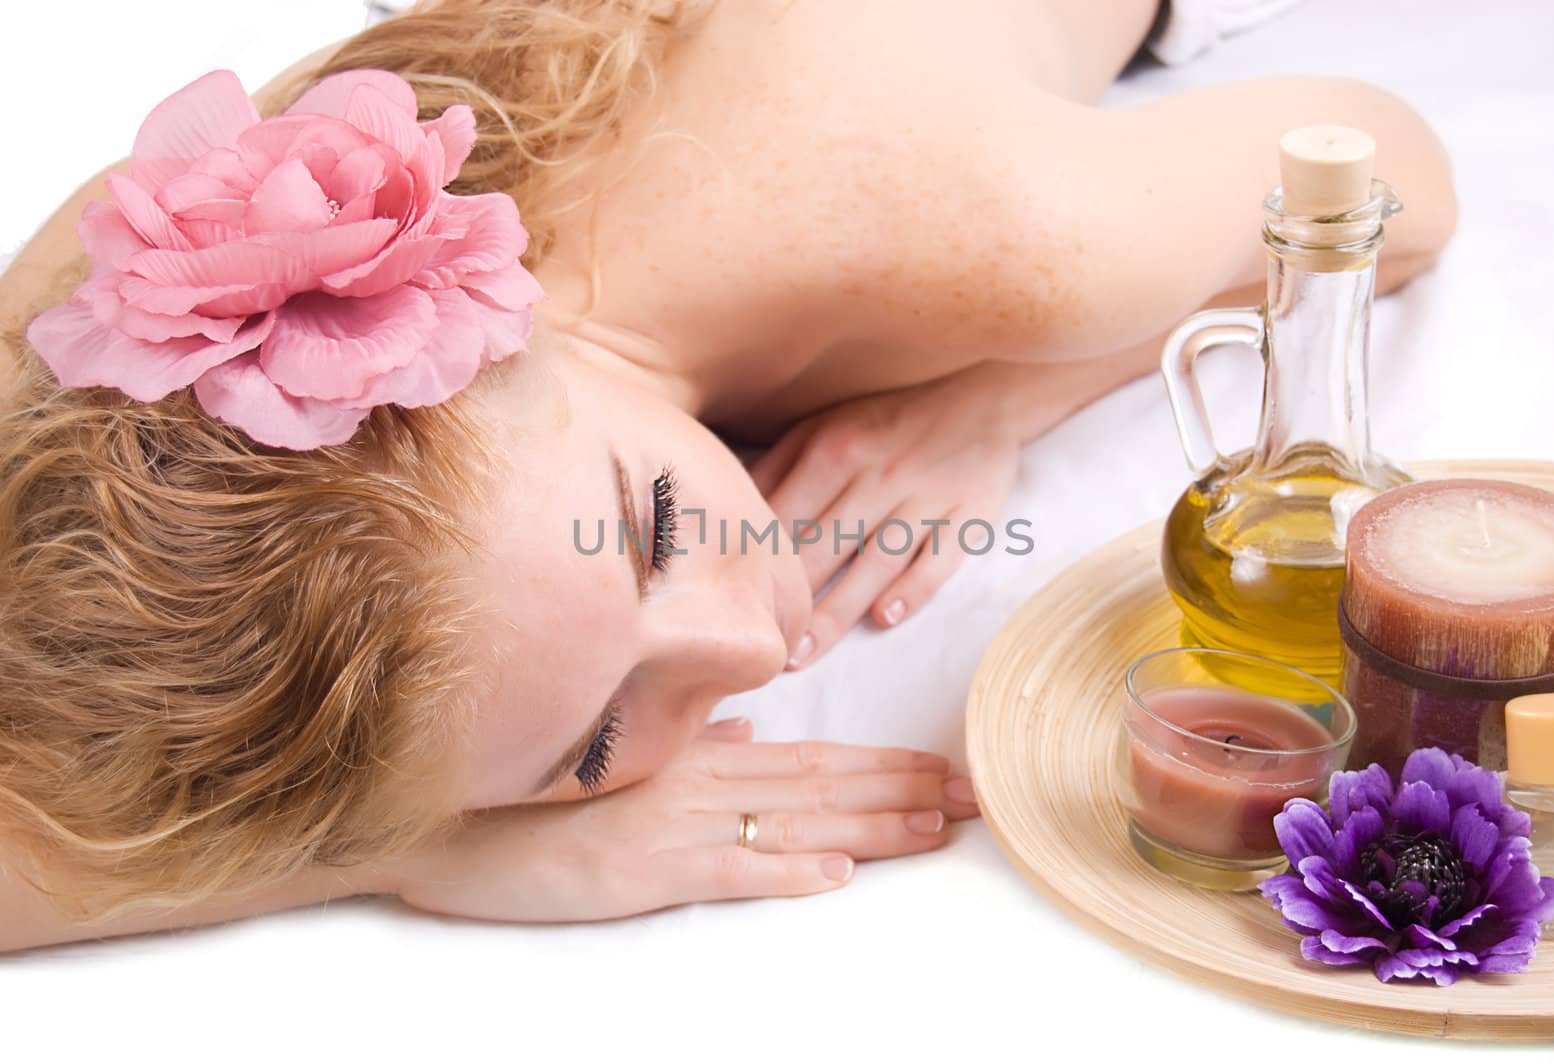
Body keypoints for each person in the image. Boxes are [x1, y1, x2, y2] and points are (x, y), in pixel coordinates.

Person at [0, 0, 1456, 951]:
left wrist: (1004, 387)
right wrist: (388, 854)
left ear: (496, 329)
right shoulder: (123, 326)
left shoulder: (1020, 241)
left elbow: (1401, 178)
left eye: (648, 530)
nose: (757, 643)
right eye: (588, 747)